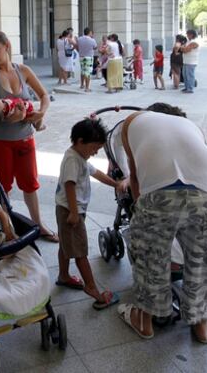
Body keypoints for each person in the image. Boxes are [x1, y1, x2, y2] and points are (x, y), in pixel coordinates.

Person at [118, 105, 207, 343]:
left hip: (159, 195)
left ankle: (145, 322)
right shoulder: (190, 125)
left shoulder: (130, 121)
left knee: (151, 259)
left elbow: (135, 176)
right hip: (205, 193)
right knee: (200, 261)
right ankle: (201, 325)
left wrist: (140, 212)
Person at [0, 30, 58, 241]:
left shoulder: (23, 70)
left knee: (30, 182)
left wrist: (42, 111)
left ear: (7, 46)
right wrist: (8, 119)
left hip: (24, 136)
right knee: (2, 185)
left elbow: (43, 94)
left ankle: (39, 225)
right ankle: (6, 228)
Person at [55, 118, 125, 308]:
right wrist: (74, 212)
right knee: (80, 251)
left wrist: (116, 184)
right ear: (80, 141)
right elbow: (69, 184)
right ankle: (92, 288)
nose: (95, 152)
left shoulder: (80, 157)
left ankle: (63, 275)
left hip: (68, 208)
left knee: (66, 243)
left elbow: (97, 173)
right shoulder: (72, 159)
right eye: (94, 148)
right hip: (71, 210)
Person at [76, 27, 97, 92]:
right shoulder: (92, 40)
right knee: (88, 72)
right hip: (88, 57)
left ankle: (82, 84)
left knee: (82, 71)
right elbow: (95, 47)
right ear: (89, 32)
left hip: (81, 56)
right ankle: (87, 87)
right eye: (91, 33)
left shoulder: (79, 39)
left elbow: (77, 46)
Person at [180, 29, 199, 93]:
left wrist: (183, 48)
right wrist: (183, 48)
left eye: (188, 34)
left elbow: (185, 50)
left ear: (192, 35)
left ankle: (190, 88)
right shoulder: (188, 41)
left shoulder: (194, 42)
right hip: (186, 61)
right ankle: (186, 87)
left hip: (191, 62)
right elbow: (182, 48)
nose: (187, 35)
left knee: (190, 75)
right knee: (185, 75)